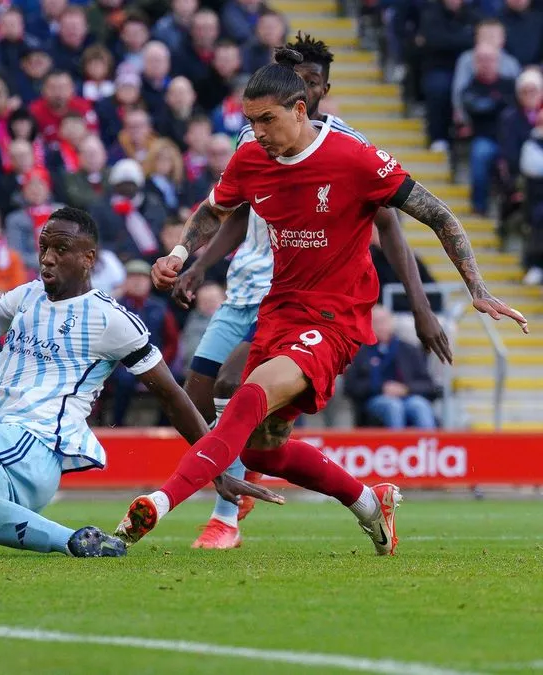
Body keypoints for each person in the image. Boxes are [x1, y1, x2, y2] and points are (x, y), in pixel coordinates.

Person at [115, 48, 527, 557]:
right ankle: (370, 504)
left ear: (300, 110)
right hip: (278, 311)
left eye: (267, 120)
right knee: (265, 449)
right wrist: (180, 252)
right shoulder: (251, 158)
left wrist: (477, 289)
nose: (258, 132)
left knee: (244, 394)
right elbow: (214, 208)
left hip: (335, 319)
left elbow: (438, 215)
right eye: (251, 122)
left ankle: (159, 501)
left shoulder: (354, 157)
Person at [0, 206, 280, 557]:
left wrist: (215, 466)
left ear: (88, 259)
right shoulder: (28, 296)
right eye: (44, 247)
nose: (47, 258)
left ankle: (76, 540)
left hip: (35, 447)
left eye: (60, 250)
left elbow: (173, 397)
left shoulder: (112, 320)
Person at [167, 32, 454, 550]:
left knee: (238, 388)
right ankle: (330, 494)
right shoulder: (257, 137)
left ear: (318, 93)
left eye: (313, 85)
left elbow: (392, 226)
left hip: (313, 298)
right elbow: (232, 210)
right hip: (250, 286)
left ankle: (223, 511)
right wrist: (195, 261)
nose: (306, 92)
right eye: (297, 81)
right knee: (204, 395)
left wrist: (420, 307)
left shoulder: (348, 147)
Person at [344, 306, 441, 430]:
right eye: (376, 322)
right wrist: (381, 388)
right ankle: (397, 446)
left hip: (408, 396)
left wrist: (405, 389)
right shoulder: (360, 352)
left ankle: (429, 445)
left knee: (419, 405)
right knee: (393, 406)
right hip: (374, 399)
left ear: (391, 322)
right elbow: (351, 386)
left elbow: (428, 384)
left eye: (383, 321)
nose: (381, 326)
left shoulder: (409, 350)